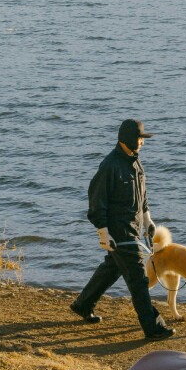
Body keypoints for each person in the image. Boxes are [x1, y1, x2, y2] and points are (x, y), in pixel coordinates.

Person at [70, 118, 174, 341]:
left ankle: (83, 304)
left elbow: (142, 197)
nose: (142, 142)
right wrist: (103, 234)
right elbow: (97, 202)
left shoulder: (135, 162)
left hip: (135, 231)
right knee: (138, 280)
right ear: (127, 139)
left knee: (112, 268)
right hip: (119, 233)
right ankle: (153, 328)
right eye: (139, 138)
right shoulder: (109, 166)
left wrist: (148, 220)